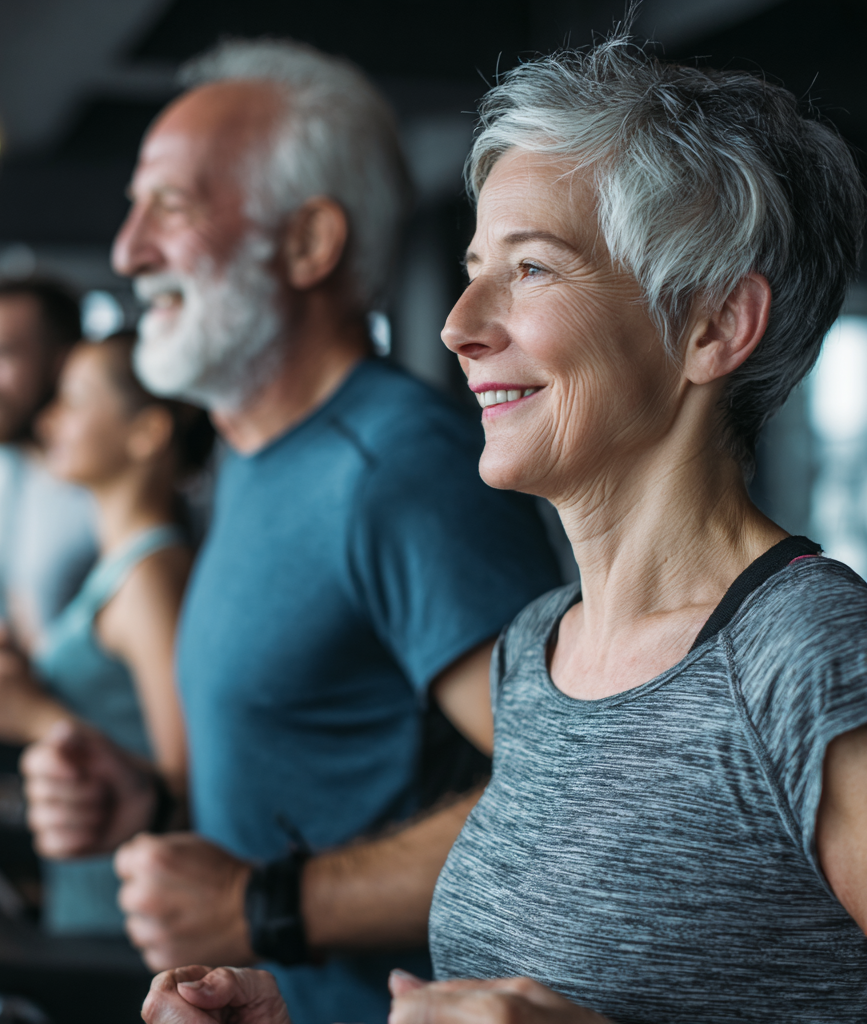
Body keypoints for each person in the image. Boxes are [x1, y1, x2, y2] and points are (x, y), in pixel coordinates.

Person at [138, 32, 867, 1024]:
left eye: (530, 270)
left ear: (710, 325)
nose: (458, 323)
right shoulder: (537, 651)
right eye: (475, 267)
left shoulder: (807, 652)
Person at [20, 38, 561, 1024]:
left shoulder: (400, 466)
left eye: (172, 207)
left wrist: (258, 904)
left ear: (310, 243)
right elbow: (327, 758)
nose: (127, 250)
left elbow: (569, 802)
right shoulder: (256, 455)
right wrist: (144, 800)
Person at [0, 332, 212, 935]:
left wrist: (34, 714)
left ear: (146, 433)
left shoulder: (151, 576)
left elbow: (187, 793)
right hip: (89, 896)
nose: (50, 418)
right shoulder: (119, 566)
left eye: (75, 399)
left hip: (125, 926)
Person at [0, 278, 97, 694]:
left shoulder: (106, 492)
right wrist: (2, 652)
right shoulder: (30, 475)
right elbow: (67, 650)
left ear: (61, 362)